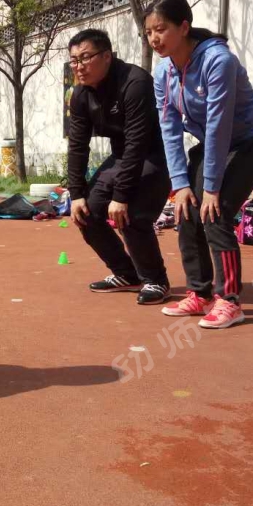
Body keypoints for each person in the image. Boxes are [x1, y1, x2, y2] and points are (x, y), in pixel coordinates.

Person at [146, 0, 253, 329]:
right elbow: (169, 130)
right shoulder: (163, 74)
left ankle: (230, 301)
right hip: (213, 143)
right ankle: (199, 293)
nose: (154, 38)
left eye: (161, 29)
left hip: (248, 140)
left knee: (215, 212)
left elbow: (219, 125)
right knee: (186, 208)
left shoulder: (219, 61)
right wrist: (181, 185)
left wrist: (213, 188)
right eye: (149, 32)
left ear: (183, 27)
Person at [66, 29, 172, 305]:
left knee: (131, 215)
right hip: (121, 158)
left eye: (85, 58)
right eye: (74, 60)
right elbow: (77, 145)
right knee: (85, 212)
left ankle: (156, 280)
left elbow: (138, 142)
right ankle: (126, 274)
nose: (79, 67)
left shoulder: (135, 83)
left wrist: (121, 196)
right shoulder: (80, 95)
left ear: (106, 57)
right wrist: (76, 193)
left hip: (155, 157)